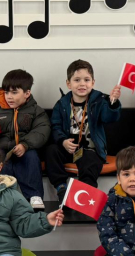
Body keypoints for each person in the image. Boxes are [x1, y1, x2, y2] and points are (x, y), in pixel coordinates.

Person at [46, 59, 122, 203]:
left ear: (93, 82)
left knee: (89, 162)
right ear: (68, 84)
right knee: (51, 151)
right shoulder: (62, 104)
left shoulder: (100, 100)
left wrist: (113, 103)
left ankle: (85, 194)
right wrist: (63, 141)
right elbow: (55, 126)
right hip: (69, 149)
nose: (82, 84)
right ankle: (61, 188)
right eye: (77, 80)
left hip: (90, 150)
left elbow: (110, 117)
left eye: (86, 80)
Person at [0, 69, 51, 210]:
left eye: (14, 92)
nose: (9, 97)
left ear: (27, 93)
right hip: (1, 149)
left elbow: (42, 130)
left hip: (25, 149)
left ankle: (34, 196)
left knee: (31, 157)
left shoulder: (36, 111)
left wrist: (25, 145)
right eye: (6, 92)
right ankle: (2, 197)